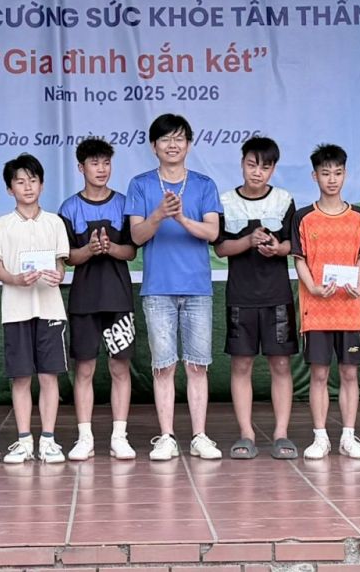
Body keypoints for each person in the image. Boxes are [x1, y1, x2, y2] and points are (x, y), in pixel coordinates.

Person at [125, 113, 224, 461]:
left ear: (189, 145)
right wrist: (158, 214)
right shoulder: (140, 184)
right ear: (154, 146)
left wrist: (180, 217)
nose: (172, 145)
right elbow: (136, 236)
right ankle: (166, 436)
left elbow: (212, 232)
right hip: (158, 288)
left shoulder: (204, 184)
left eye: (179, 138)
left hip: (197, 288)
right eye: (165, 139)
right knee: (163, 366)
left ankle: (199, 436)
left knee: (197, 366)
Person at [214, 136, 298, 460]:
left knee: (281, 364)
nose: (257, 172)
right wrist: (248, 241)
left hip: (277, 296)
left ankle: (281, 433)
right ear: (242, 164)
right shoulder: (226, 201)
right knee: (241, 364)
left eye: (265, 167)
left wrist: (277, 249)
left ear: (273, 169)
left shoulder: (284, 200)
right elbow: (221, 248)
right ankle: (246, 434)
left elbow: (292, 244)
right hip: (240, 296)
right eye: (252, 164)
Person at [59, 138, 138, 461]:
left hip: (118, 298)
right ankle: (85, 437)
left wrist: (111, 248)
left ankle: (120, 436)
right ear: (81, 168)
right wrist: (89, 250)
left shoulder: (124, 204)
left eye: (106, 163)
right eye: (94, 163)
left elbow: (131, 251)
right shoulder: (69, 208)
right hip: (84, 300)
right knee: (84, 370)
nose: (101, 169)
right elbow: (67, 257)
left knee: (120, 367)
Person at [291, 144, 360, 460]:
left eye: (337, 173)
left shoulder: (359, 216)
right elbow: (299, 259)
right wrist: (312, 286)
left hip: (349, 310)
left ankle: (348, 437)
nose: (332, 179)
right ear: (315, 176)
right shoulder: (303, 217)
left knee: (350, 374)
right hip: (317, 310)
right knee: (319, 374)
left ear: (345, 174)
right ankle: (320, 437)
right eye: (326, 173)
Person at [0, 153, 72, 464]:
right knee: (21, 377)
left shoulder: (54, 222)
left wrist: (58, 275)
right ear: (9, 188)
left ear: (42, 185)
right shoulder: (2, 224)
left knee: (49, 376)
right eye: (20, 182)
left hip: (50, 310)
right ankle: (24, 440)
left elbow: (61, 265)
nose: (28, 187)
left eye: (33, 181)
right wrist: (15, 279)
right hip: (16, 311)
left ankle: (48, 440)